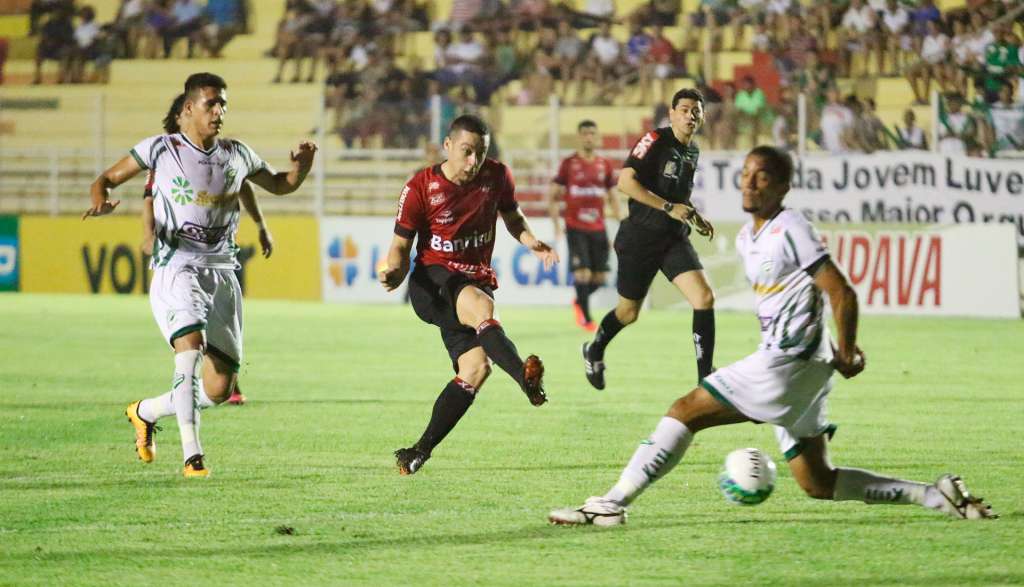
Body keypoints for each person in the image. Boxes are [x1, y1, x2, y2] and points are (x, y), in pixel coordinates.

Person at [549, 145, 997, 526]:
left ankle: (610, 505)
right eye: (745, 175)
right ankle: (936, 495)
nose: (750, 183)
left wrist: (846, 351)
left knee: (684, 410)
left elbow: (841, 292)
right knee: (817, 481)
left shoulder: (792, 228)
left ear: (782, 187)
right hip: (804, 366)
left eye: (762, 178)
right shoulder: (748, 237)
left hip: (789, 361)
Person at [83, 72, 317, 477]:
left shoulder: (237, 153)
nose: (219, 111)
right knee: (189, 350)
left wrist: (302, 170)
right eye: (212, 103)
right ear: (188, 109)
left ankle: (145, 411)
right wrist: (101, 200)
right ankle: (193, 455)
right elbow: (105, 179)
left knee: (218, 388)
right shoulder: (160, 149)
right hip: (177, 266)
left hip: (222, 273)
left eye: (223, 103)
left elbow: (280, 184)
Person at [379, 114, 558, 476]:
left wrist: (531, 242)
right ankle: (526, 382)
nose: (473, 162)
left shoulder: (497, 176)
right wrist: (394, 272)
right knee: (481, 306)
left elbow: (513, 216)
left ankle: (418, 451)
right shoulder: (420, 187)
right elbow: (400, 245)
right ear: (447, 147)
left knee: (475, 370)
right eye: (466, 152)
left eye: (480, 153)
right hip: (433, 282)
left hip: (473, 280)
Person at [140, 91, 273, 405]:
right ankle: (189, 390)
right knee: (192, 324)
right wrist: (148, 234)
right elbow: (148, 199)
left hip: (218, 255)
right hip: (182, 256)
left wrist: (261, 224)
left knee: (222, 318)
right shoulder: (165, 155)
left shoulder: (218, 154)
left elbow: (242, 185)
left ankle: (221, 381)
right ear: (181, 116)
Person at [581, 88, 716, 392]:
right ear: (671, 114)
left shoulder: (693, 151)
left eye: (696, 110)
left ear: (703, 116)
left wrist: (693, 215)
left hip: (672, 239)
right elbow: (625, 182)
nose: (690, 115)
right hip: (640, 238)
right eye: (683, 109)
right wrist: (669, 208)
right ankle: (595, 350)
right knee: (628, 313)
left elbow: (677, 197)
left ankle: (705, 378)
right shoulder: (655, 140)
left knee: (704, 298)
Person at [547, 120, 622, 332]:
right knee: (583, 274)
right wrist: (556, 223)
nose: (589, 137)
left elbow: (613, 197)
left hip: (598, 228)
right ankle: (587, 319)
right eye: (585, 133)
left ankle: (580, 300)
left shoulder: (604, 165)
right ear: (579, 137)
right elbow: (552, 196)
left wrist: (621, 221)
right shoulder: (569, 164)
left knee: (600, 278)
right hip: (575, 227)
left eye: (592, 133)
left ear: (597, 137)